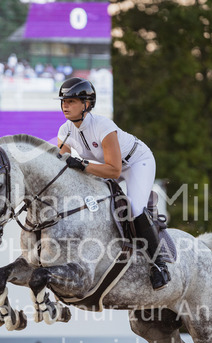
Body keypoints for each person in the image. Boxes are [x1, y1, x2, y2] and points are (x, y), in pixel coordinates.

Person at [56, 77, 171, 289]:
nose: (65, 106)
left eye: (71, 101)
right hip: (105, 167)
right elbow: (60, 167)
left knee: (135, 208)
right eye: (63, 101)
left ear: (86, 104)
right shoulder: (65, 131)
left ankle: (159, 265)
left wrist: (82, 165)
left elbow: (114, 170)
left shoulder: (103, 126)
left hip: (136, 162)